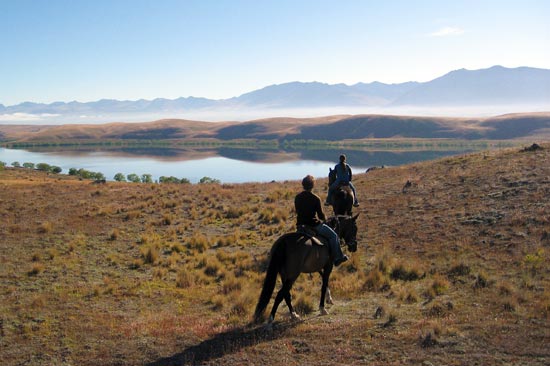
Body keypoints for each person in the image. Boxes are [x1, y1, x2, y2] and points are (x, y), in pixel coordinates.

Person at [295, 175, 348, 266]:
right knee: (333, 236)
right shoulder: (316, 198)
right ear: (312, 186)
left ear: (303, 185)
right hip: (313, 225)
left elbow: (298, 211)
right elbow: (320, 215)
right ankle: (338, 257)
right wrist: (326, 218)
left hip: (300, 225)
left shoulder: (297, 197)